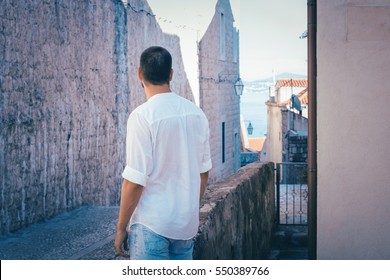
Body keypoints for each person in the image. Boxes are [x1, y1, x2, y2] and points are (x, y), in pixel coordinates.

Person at [114, 46, 212, 260]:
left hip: (152, 225)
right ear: (171, 74)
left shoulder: (142, 116)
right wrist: (187, 209)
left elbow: (135, 180)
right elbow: (203, 173)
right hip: (186, 227)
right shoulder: (197, 114)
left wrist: (121, 228)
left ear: (139, 73)